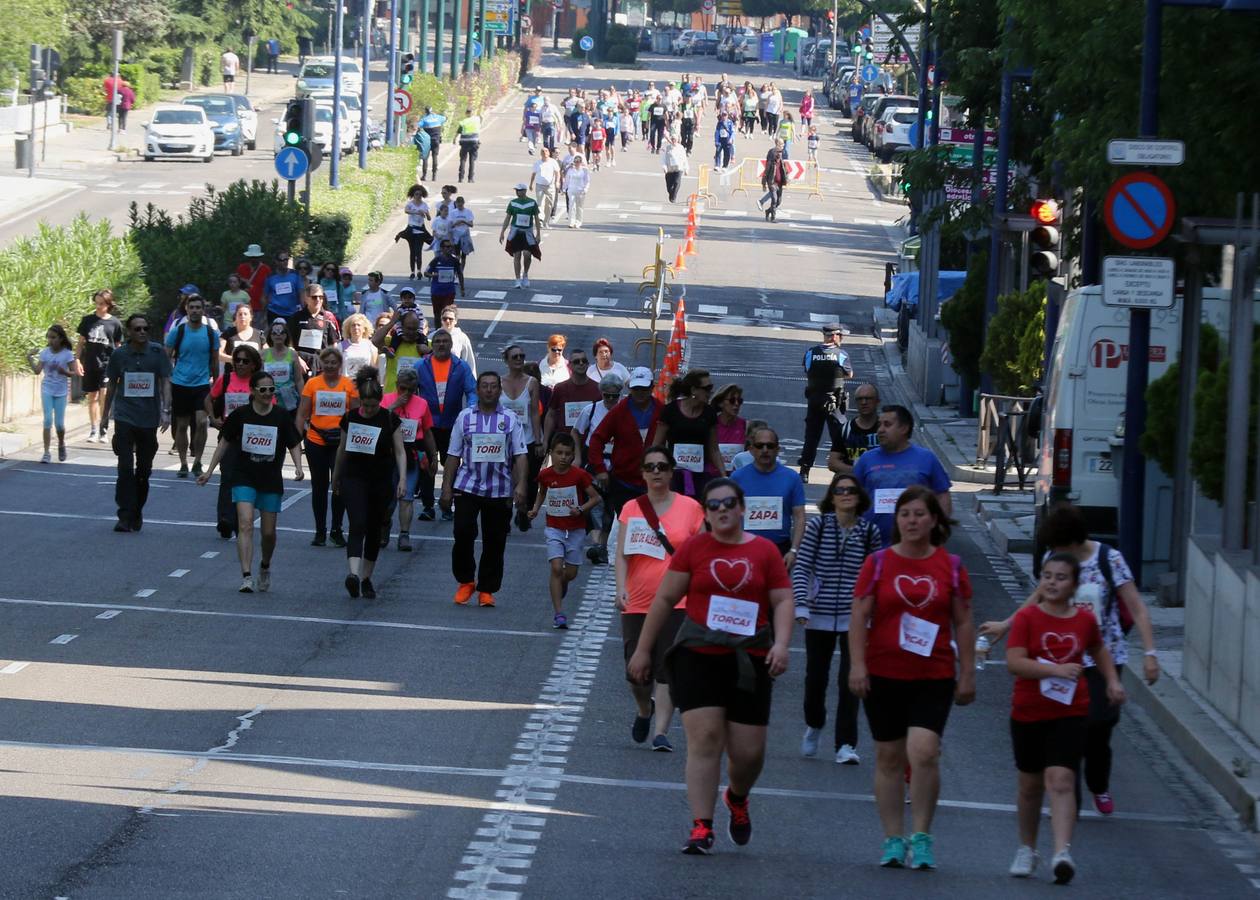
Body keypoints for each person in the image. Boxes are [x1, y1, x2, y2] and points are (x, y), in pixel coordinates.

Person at [628, 477, 794, 855]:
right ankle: (701, 826)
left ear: (742, 509)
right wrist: (643, 650)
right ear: (706, 512)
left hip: (749, 659)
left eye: (729, 503)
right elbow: (666, 598)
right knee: (704, 740)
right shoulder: (694, 550)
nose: (722, 510)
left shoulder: (765, 552)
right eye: (714, 505)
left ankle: (736, 797)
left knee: (748, 754)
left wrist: (781, 645)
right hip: (699, 654)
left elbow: (783, 601)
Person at [980, 503, 1159, 818]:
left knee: (1100, 726)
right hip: (1062, 656)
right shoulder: (1055, 561)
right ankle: (1068, 798)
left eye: (1061, 548)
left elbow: (1137, 606)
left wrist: (1150, 653)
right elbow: (1035, 600)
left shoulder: (1109, 559)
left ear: (1076, 542)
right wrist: (1007, 625)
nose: (1056, 556)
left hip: (1105, 655)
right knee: (1071, 726)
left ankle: (1098, 783)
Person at [848, 485, 976, 870]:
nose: (912, 521)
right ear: (897, 520)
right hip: (883, 672)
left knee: (923, 751)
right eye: (905, 514)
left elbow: (964, 621)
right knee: (888, 757)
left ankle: (921, 836)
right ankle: (892, 837)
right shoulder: (879, 564)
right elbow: (858, 616)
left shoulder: (950, 567)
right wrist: (857, 665)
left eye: (920, 514)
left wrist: (967, 672)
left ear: (934, 519)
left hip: (932, 673)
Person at [1004, 552, 1125, 885]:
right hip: (1029, 711)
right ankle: (1027, 848)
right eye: (1047, 576)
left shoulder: (1084, 620)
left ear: (1074, 585)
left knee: (1061, 780)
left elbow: (1099, 649)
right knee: (1030, 786)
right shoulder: (1028, 617)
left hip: (1070, 711)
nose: (1052, 582)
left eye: (1060, 577)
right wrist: (1054, 669)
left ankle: (1061, 853)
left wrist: (1112, 680)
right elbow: (1015, 661)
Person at [615, 446, 705, 750]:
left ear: (671, 472)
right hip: (638, 601)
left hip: (677, 602)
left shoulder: (691, 507)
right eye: (651, 467)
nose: (656, 472)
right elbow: (622, 553)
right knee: (636, 673)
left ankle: (661, 733)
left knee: (668, 670)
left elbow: (702, 551)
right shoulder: (631, 508)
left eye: (662, 467)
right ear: (642, 473)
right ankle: (644, 709)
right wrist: (620, 588)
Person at [794, 472, 881, 764]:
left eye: (851, 490)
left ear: (859, 497)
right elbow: (802, 566)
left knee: (850, 680)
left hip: (853, 617)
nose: (846, 495)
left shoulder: (869, 532)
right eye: (840, 490)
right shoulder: (818, 526)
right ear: (831, 497)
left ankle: (846, 744)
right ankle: (814, 723)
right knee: (815, 679)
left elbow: (875, 577)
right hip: (818, 613)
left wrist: (873, 613)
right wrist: (801, 605)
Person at [197, 369, 304, 591]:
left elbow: (294, 443)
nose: (267, 394)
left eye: (271, 390)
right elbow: (224, 443)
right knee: (245, 523)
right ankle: (246, 576)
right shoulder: (240, 415)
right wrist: (209, 471)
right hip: (244, 475)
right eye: (263, 390)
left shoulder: (281, 416)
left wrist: (298, 467)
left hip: (270, 479)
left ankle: (264, 566)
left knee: (268, 533)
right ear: (253, 391)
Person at [441, 371, 530, 607]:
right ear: (478, 390)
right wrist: (446, 488)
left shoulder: (510, 419)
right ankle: (466, 580)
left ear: (499, 390)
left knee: (495, 540)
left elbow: (520, 455)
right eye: (485, 386)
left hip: (499, 490)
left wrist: (521, 484)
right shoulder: (465, 417)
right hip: (468, 486)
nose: (489, 390)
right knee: (462, 532)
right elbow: (453, 454)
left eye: (493, 386)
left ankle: (487, 589)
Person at [333, 367, 408, 599]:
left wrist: (402, 479)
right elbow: (342, 449)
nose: (367, 410)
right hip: (354, 477)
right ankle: (353, 575)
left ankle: (366, 578)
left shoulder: (389, 419)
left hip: (381, 480)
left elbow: (400, 452)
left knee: (374, 530)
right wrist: (336, 476)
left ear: (379, 402)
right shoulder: (351, 417)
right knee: (357, 523)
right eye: (364, 406)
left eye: (372, 406)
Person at [102, 314, 173, 532]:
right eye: (137, 329)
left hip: (148, 419)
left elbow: (165, 382)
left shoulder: (157, 353)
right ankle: (124, 515)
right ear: (129, 332)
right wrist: (105, 415)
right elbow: (112, 386)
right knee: (125, 467)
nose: (142, 332)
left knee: (143, 470)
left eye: (145, 328)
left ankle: (136, 511)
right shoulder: (119, 355)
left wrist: (166, 411)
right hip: (124, 416)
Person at [853, 405, 953, 546]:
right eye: (879, 425)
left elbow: (942, 494)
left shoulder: (926, 458)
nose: (880, 430)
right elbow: (852, 495)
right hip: (872, 546)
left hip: (917, 547)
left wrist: (941, 530)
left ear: (904, 428)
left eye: (887, 425)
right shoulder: (866, 459)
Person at [529, 433, 600, 629]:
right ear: (551, 453)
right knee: (555, 567)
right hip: (554, 527)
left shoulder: (579, 475)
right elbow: (542, 492)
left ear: (573, 455)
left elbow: (595, 498)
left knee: (570, 573)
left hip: (575, 529)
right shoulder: (545, 475)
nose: (563, 457)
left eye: (567, 454)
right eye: (559, 453)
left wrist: (581, 509)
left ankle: (563, 582)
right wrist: (535, 508)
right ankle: (559, 613)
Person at [296, 347, 359, 546]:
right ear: (321, 364)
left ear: (340, 365)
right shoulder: (313, 384)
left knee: (339, 484)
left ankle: (336, 529)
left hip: (340, 442)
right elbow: (302, 413)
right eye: (327, 362)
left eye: (334, 362)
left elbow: (356, 416)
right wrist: (298, 438)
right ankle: (320, 531)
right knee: (319, 486)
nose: (330, 365)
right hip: (316, 440)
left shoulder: (349, 385)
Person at [416, 329, 478, 520]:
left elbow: (472, 392)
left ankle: (447, 505)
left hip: (453, 424)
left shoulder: (461, 367)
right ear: (432, 345)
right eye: (437, 341)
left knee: (450, 465)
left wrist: (470, 414)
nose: (441, 344)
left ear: (451, 345)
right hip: (428, 425)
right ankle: (427, 506)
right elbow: (410, 390)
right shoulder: (420, 365)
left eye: (445, 341)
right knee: (426, 465)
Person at [206, 343, 267, 537]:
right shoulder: (225, 380)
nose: (240, 364)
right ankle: (225, 519)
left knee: (248, 481)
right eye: (237, 360)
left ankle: (241, 518)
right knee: (227, 477)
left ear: (253, 365)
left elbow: (270, 405)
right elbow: (208, 399)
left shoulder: (259, 383)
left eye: (245, 361)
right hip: (230, 436)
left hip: (252, 439)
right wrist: (213, 419)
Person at [589, 366, 664, 516]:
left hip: (655, 481)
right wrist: (600, 470)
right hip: (624, 482)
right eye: (636, 389)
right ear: (630, 388)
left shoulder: (662, 410)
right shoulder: (620, 410)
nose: (640, 393)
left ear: (652, 388)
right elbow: (597, 439)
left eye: (644, 389)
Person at [383, 367, 439, 552]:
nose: (406, 393)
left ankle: (404, 535)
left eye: (411, 390)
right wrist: (393, 407)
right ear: (396, 385)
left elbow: (428, 432)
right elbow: (376, 423)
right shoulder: (386, 400)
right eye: (402, 388)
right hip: (388, 455)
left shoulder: (422, 404)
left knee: (406, 496)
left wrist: (433, 456)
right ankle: (384, 526)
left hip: (411, 455)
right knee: (387, 497)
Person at [730, 426, 806, 561]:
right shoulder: (737, 478)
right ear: (752, 449)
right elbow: (728, 515)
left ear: (777, 449)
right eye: (759, 446)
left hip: (780, 549)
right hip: (745, 549)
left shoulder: (791, 477)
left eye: (770, 446)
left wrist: (794, 550)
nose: (765, 450)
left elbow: (799, 517)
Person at [165, 295, 219, 479]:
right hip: (180, 384)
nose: (195, 310)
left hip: (202, 385)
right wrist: (167, 381)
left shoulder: (211, 333)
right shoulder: (178, 332)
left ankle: (197, 461)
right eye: (192, 307)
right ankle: (183, 463)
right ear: (186, 310)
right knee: (181, 426)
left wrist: (217, 389)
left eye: (198, 307)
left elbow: (215, 360)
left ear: (203, 311)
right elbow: (167, 358)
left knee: (202, 422)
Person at [574, 373, 623, 565]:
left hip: (618, 465)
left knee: (611, 507)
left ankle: (603, 545)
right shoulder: (591, 410)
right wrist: (578, 457)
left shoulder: (625, 410)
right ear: (601, 393)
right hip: (594, 463)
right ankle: (597, 545)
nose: (610, 399)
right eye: (606, 395)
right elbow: (576, 432)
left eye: (614, 396)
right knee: (595, 503)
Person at [655, 369, 724, 497]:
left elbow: (714, 449)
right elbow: (657, 445)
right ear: (693, 390)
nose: (710, 392)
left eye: (711, 388)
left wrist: (724, 475)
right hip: (674, 475)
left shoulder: (710, 414)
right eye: (707, 388)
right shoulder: (670, 411)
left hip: (700, 475)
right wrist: (656, 470)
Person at [799, 323, 853, 481]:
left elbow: (807, 370)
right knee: (840, 437)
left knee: (811, 437)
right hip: (834, 402)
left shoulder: (811, 352)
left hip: (815, 401)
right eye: (841, 336)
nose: (841, 339)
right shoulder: (841, 354)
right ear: (835, 336)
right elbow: (849, 374)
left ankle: (804, 470)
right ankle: (843, 469)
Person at [76, 289, 124, 444]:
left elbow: (118, 346)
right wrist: (77, 360)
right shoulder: (87, 320)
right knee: (92, 397)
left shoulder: (115, 323)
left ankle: (103, 428)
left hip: (107, 364)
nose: (98, 306)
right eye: (96, 303)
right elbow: (81, 342)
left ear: (108, 304)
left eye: (102, 303)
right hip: (90, 363)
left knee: (104, 395)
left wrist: (119, 366)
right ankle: (94, 429)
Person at [501, 345, 544, 516]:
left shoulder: (531, 382)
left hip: (526, 439)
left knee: (524, 478)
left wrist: (539, 440)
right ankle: (505, 514)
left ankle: (522, 510)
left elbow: (535, 412)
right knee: (506, 479)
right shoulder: (499, 382)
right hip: (504, 440)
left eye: (521, 356)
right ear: (507, 360)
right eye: (515, 357)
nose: (519, 359)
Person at [31, 325, 76, 463]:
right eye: (49, 337)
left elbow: (73, 373)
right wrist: (29, 358)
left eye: (53, 337)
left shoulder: (67, 354)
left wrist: (64, 371)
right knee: (47, 421)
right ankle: (46, 453)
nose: (50, 340)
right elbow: (38, 371)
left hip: (61, 391)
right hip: (47, 389)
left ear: (61, 339)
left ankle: (61, 444)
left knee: (59, 424)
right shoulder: (45, 353)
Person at [542, 346, 600, 452]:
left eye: (584, 361)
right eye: (577, 361)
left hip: (589, 445)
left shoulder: (597, 388)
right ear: (570, 366)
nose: (581, 363)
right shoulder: (560, 388)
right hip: (564, 445)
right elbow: (551, 414)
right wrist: (545, 440)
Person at [828, 383, 881, 476]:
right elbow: (832, 462)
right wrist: (858, 471)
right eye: (860, 399)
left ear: (877, 401)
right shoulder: (845, 429)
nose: (864, 402)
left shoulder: (886, 429)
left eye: (868, 398)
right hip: (854, 486)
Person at [373, 307, 429, 393]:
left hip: (416, 397)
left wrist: (429, 351)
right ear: (401, 327)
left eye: (415, 329)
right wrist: (392, 322)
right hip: (392, 395)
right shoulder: (392, 342)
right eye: (408, 328)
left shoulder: (426, 344)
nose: (411, 332)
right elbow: (375, 340)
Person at [290, 284, 341, 374]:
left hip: (322, 365)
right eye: (314, 297)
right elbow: (289, 344)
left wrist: (331, 364)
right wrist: (298, 360)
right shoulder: (296, 317)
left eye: (321, 297)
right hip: (302, 364)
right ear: (306, 298)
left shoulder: (329, 317)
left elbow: (334, 344)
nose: (318, 300)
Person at [500, 183, 542, 289]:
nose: (517, 192)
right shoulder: (513, 203)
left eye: (519, 190)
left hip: (527, 232)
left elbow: (536, 218)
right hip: (516, 232)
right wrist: (502, 232)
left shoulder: (532, 203)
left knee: (527, 254)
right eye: (516, 190)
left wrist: (538, 233)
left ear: (524, 191)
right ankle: (517, 279)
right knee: (517, 255)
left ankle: (525, 275)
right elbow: (508, 218)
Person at [262, 320, 305, 419]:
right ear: (270, 336)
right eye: (274, 333)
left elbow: (299, 380)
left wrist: (303, 400)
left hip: (290, 401)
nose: (278, 335)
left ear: (286, 335)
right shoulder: (263, 354)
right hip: (268, 399)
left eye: (281, 333)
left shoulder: (293, 354)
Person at [424, 240, 465, 320]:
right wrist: (433, 275)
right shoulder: (436, 260)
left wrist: (462, 288)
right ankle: (437, 330)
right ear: (441, 248)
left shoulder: (455, 261)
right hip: (436, 292)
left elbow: (460, 274)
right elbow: (426, 273)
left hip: (449, 292)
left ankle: (445, 331)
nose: (449, 249)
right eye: (446, 247)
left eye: (450, 247)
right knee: (437, 315)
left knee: (446, 314)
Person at [710, 384, 746, 475]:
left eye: (739, 401)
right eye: (732, 400)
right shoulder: (711, 424)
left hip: (737, 477)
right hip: (712, 477)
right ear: (720, 403)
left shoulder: (745, 426)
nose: (737, 404)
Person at [397, 184, 431, 279]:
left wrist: (425, 213)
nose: (418, 196)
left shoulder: (424, 205)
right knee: (412, 251)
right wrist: (416, 212)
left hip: (420, 230)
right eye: (416, 194)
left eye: (420, 194)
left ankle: (419, 271)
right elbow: (406, 211)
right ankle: (412, 271)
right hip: (411, 229)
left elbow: (429, 218)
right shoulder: (410, 204)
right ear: (413, 194)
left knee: (418, 251)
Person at [264, 250, 304, 322]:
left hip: (292, 312)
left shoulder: (295, 274)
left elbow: (301, 293)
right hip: (274, 312)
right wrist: (264, 312)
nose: (284, 262)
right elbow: (265, 296)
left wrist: (303, 310)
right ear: (276, 261)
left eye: (286, 259)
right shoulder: (270, 277)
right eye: (281, 260)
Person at [437, 306, 477, 375]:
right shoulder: (433, 336)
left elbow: (469, 361)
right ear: (441, 320)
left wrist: (472, 381)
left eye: (450, 319)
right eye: (444, 319)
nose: (447, 321)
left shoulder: (462, 337)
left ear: (455, 321)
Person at [340, 313, 379, 380]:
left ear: (364, 329)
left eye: (359, 325)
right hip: (346, 384)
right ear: (349, 329)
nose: (356, 327)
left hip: (364, 384)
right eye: (353, 325)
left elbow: (374, 368)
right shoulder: (341, 346)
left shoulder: (370, 346)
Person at [236, 244, 271, 314]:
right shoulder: (241, 268)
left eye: (256, 257)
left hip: (259, 306)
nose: (253, 259)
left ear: (260, 257)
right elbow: (235, 286)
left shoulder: (266, 269)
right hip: (243, 305)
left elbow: (269, 289)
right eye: (251, 257)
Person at [761, 138, 788, 222]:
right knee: (774, 199)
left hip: (780, 181)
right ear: (777, 144)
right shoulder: (772, 153)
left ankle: (768, 211)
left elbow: (784, 167)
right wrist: (764, 183)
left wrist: (786, 177)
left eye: (783, 144)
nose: (783, 145)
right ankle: (773, 217)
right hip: (772, 180)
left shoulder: (783, 152)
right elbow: (767, 168)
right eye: (781, 144)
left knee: (779, 201)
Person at [418, 107, 447, 180]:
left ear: (425, 111)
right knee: (435, 157)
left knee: (425, 158)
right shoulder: (438, 117)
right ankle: (434, 176)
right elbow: (445, 118)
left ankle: (424, 176)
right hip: (436, 140)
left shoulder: (424, 119)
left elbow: (418, 125)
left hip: (427, 141)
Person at [563, 154, 591, 229]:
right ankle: (571, 222)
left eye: (578, 162)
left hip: (580, 190)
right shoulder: (571, 170)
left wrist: (585, 189)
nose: (577, 163)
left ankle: (578, 222)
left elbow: (587, 181)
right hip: (571, 189)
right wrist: (564, 188)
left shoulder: (584, 170)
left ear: (581, 162)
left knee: (579, 207)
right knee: (571, 205)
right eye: (575, 162)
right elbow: (567, 180)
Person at [661, 135, 689, 204]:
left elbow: (684, 159)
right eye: (673, 139)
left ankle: (673, 197)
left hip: (678, 168)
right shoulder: (667, 148)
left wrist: (686, 169)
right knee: (669, 186)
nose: (674, 141)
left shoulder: (681, 148)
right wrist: (664, 167)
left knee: (677, 182)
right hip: (669, 169)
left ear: (677, 140)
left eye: (675, 140)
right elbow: (663, 158)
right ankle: (671, 194)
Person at [449, 196, 476, 267]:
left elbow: (471, 224)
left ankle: (461, 271)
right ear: (456, 204)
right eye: (458, 204)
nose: (459, 206)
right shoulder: (453, 213)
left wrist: (464, 222)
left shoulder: (468, 212)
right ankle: (457, 270)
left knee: (464, 256)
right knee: (457, 255)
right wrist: (456, 223)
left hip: (465, 235)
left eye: (461, 204)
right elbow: (450, 226)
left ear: (463, 203)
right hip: (456, 236)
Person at [456, 107, 481, 183]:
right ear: (472, 113)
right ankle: (470, 178)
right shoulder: (477, 119)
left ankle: (461, 178)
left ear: (466, 113)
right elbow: (481, 118)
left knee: (463, 159)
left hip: (464, 142)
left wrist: (454, 138)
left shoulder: (463, 121)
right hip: (474, 141)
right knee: (472, 160)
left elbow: (459, 131)